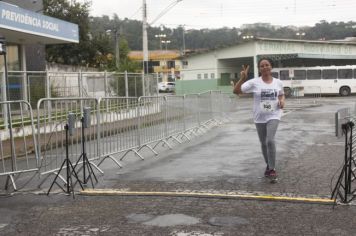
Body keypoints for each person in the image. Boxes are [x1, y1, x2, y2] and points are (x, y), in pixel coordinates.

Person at [233, 58, 285, 178]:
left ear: (271, 67)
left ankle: (272, 168)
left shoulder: (278, 82)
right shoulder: (254, 82)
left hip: (274, 115)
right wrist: (242, 78)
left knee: (270, 140)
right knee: (263, 143)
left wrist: (282, 101)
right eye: (262, 66)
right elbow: (236, 91)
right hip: (259, 117)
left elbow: (281, 95)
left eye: (267, 65)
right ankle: (268, 165)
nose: (265, 67)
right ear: (259, 69)